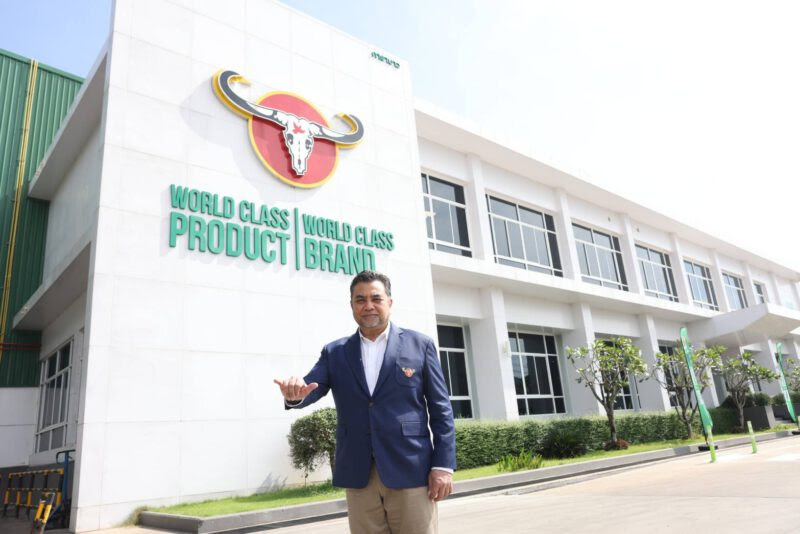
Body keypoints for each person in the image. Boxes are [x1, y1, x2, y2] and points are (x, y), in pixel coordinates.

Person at [274, 270, 456, 534]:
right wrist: (295, 395)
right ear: (351, 306)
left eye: (376, 298)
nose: (368, 305)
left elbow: (441, 410)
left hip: (411, 469)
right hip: (359, 474)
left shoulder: (420, 345)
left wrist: (443, 466)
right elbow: (311, 387)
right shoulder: (335, 352)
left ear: (389, 302)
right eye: (360, 300)